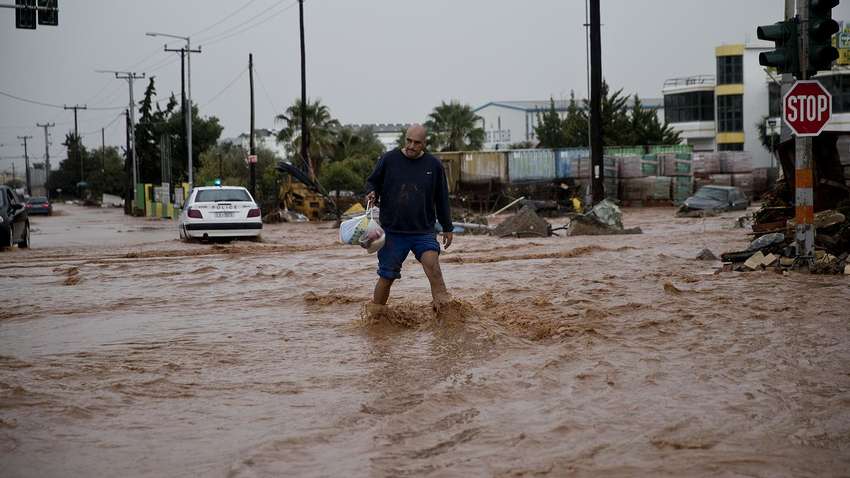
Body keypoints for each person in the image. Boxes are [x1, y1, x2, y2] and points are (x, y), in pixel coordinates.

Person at [364, 124, 454, 314]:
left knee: (434, 270)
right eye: (409, 141)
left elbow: (442, 198)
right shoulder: (388, 159)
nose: (412, 146)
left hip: (423, 231)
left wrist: (447, 227)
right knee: (386, 277)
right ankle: (375, 320)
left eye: (417, 143)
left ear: (424, 143)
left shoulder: (434, 166)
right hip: (392, 232)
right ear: (405, 139)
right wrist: (371, 193)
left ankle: (447, 321)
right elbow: (372, 182)